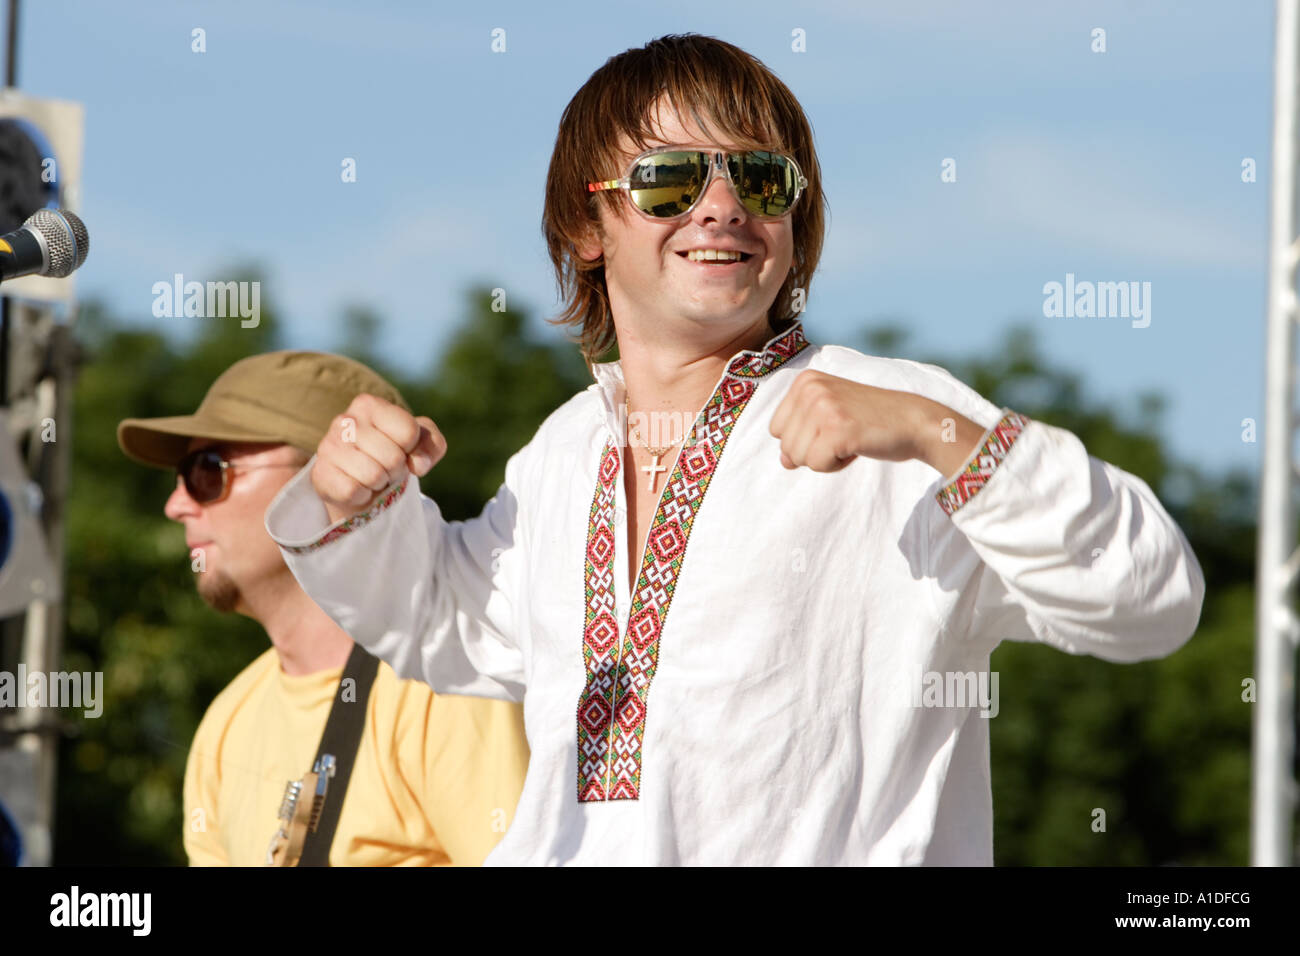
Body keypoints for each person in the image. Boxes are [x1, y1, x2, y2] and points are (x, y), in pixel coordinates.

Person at [264, 35, 1204, 865]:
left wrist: (940, 436)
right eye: (670, 178)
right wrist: (351, 501)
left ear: (795, 220)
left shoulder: (899, 417)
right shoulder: (563, 453)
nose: (720, 207)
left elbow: (1151, 599)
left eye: (760, 179)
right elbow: (444, 621)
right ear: (587, 227)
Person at [117, 351, 529, 866]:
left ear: (325, 476)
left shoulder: (449, 684)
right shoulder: (224, 726)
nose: (175, 505)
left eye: (206, 471)